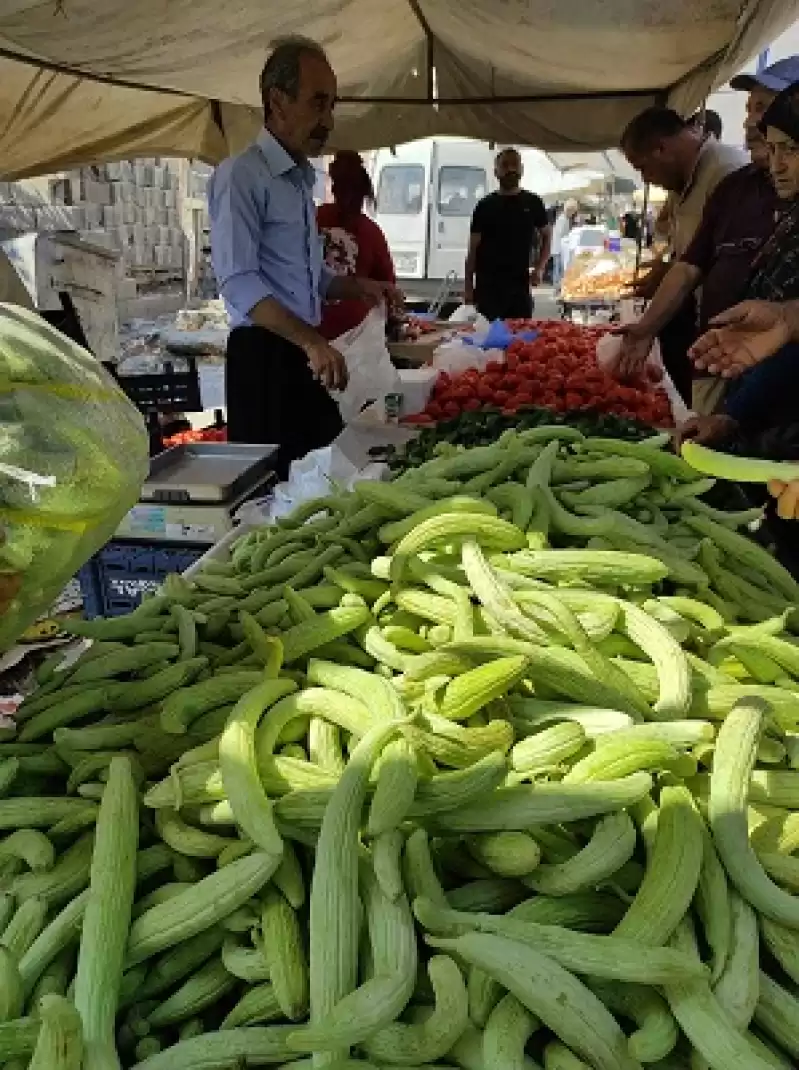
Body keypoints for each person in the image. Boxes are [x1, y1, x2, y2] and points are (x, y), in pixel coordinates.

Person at [208, 37, 400, 475]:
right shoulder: (241, 176)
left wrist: (363, 287)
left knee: (326, 472)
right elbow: (238, 281)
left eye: (331, 105)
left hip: (300, 352)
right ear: (277, 101)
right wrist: (312, 342)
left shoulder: (298, 182)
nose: (328, 120)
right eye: (318, 103)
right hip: (263, 357)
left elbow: (310, 277)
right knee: (275, 492)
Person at [612, 63, 797, 407]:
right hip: (724, 360)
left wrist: (786, 320)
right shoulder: (734, 187)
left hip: (779, 389)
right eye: (750, 109)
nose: (750, 122)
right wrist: (647, 326)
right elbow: (688, 266)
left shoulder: (734, 173)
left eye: (764, 108)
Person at [679, 81, 799, 448]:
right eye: (773, 148)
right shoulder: (791, 221)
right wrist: (733, 416)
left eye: (792, 150)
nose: (777, 165)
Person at [619, 106, 748, 401]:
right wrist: (665, 270)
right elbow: (690, 253)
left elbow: (699, 264)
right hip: (706, 323)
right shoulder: (684, 180)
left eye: (642, 168)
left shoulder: (726, 174)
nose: (647, 180)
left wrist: (646, 327)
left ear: (661, 148)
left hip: (733, 334)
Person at [316, 151, 396, 340]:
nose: (349, 202)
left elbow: (388, 288)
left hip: (353, 336)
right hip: (317, 334)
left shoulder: (371, 233)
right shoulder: (312, 220)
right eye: (346, 194)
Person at [464, 148, 551, 320]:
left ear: (522, 170)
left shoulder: (533, 203)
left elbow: (547, 235)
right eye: (505, 165)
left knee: (520, 339)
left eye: (515, 165)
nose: (510, 169)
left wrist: (540, 268)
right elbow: (473, 250)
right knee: (487, 340)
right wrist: (468, 287)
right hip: (488, 288)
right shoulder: (484, 206)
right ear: (496, 171)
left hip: (519, 287)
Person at [550, 199, 578, 290]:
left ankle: (558, 287)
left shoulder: (564, 218)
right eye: (573, 211)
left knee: (559, 268)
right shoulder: (563, 219)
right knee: (558, 269)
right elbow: (561, 234)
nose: (573, 214)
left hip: (558, 247)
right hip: (558, 248)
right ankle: (557, 287)